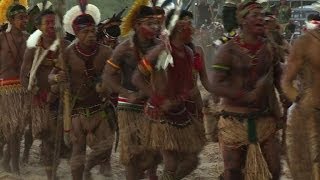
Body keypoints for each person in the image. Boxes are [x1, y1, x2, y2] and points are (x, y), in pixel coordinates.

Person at [209, 1, 283, 179]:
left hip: (264, 119)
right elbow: (215, 85)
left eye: (262, 15)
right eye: (255, 15)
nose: (261, 19)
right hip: (234, 120)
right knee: (233, 170)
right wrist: (245, 95)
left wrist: (287, 100)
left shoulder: (269, 48)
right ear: (242, 20)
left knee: (274, 170)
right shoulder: (228, 50)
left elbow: (279, 78)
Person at [132, 9, 206, 180]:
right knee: (170, 163)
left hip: (180, 113)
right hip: (160, 115)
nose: (194, 29)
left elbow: (190, 86)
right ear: (179, 27)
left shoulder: (188, 53)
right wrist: (157, 98)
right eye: (190, 24)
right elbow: (137, 78)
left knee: (191, 160)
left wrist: (190, 98)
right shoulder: (160, 51)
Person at [49, 4, 115, 179]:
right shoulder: (68, 54)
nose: (91, 35)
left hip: (99, 109)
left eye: (93, 31)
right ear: (77, 34)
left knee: (106, 147)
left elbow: (118, 76)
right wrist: (57, 78)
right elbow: (51, 77)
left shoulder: (106, 52)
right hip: (76, 110)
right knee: (78, 151)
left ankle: (88, 170)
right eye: (85, 32)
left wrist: (106, 84)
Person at [101, 2, 164, 179]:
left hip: (155, 105)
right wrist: (127, 93)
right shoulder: (124, 48)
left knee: (156, 153)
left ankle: (149, 174)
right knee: (131, 156)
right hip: (129, 107)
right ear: (137, 25)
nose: (155, 27)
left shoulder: (161, 46)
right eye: (149, 23)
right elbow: (107, 76)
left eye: (156, 23)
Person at [20, 9, 69, 179]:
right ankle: (50, 174)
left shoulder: (66, 46)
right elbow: (24, 76)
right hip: (40, 99)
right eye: (47, 23)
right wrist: (33, 92)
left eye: (54, 22)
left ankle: (52, 166)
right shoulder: (32, 49)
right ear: (38, 26)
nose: (51, 26)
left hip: (62, 99)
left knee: (61, 139)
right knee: (47, 138)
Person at [282, 2, 320, 179]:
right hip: (310, 113)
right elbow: (286, 82)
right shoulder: (304, 43)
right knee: (311, 166)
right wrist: (299, 100)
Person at [0, 1, 28, 174]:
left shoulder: (29, 38)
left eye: (26, 18)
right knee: (11, 128)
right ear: (11, 19)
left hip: (23, 89)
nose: (24, 21)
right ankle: (13, 164)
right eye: (20, 18)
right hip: (5, 89)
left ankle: (8, 161)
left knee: (18, 129)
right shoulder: (1, 37)